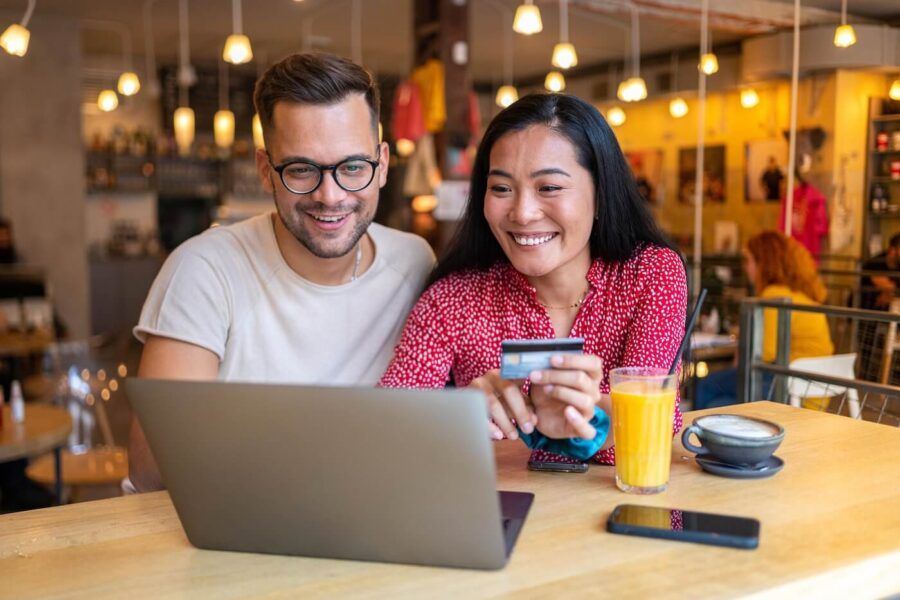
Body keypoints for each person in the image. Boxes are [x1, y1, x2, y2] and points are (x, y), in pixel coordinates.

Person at [128, 53, 436, 492]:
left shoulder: (414, 262)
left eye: (352, 167)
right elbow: (152, 468)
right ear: (265, 171)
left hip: (365, 517)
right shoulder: (204, 270)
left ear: (382, 165)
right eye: (301, 169)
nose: (330, 196)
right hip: (220, 530)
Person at [380, 93, 687, 463]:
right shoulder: (451, 300)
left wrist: (579, 419)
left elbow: (653, 409)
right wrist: (454, 414)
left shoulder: (650, 274)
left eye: (549, 187)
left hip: (620, 510)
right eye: (501, 189)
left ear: (601, 193)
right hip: (496, 516)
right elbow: (387, 429)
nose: (522, 213)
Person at [695, 230, 833, 409]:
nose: (745, 267)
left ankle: (689, 434)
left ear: (763, 262)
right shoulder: (799, 294)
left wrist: (741, 343)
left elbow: (763, 353)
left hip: (789, 386)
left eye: (748, 260)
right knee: (718, 404)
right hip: (814, 390)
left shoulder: (774, 295)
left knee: (705, 386)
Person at [860, 233, 900, 311]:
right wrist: (890, 292)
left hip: (888, 307)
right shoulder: (875, 262)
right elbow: (887, 286)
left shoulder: (898, 264)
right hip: (866, 307)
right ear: (892, 250)